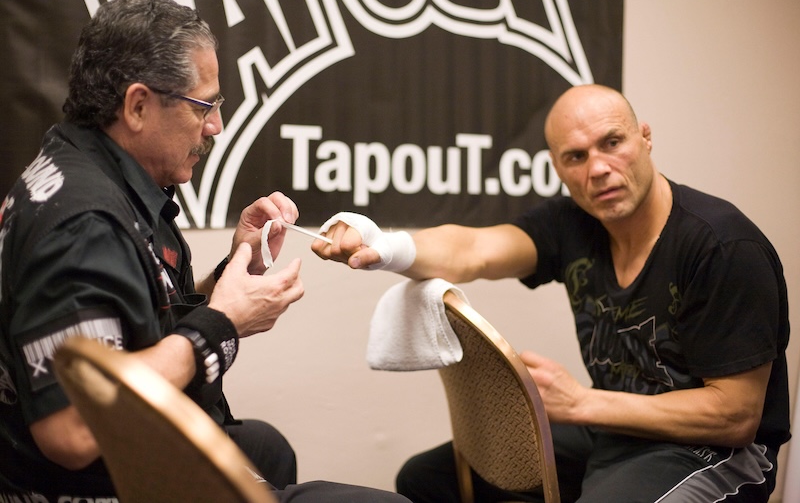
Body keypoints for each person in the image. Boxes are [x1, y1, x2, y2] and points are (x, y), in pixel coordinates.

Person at [0, 0, 410, 503]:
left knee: (264, 446)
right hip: (107, 484)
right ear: (138, 105)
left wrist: (230, 275)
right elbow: (73, 431)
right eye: (204, 106)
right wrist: (223, 323)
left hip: (134, 457)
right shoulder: (82, 224)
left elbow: (124, 322)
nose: (215, 124)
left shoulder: (85, 169)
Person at [311, 84, 791, 502]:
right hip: (621, 426)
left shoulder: (724, 247)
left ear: (645, 138)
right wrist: (382, 244)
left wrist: (582, 403)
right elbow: (475, 248)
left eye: (612, 143)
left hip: (719, 453)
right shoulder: (575, 222)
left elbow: (735, 416)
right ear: (558, 167)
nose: (598, 169)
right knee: (426, 480)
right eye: (576, 157)